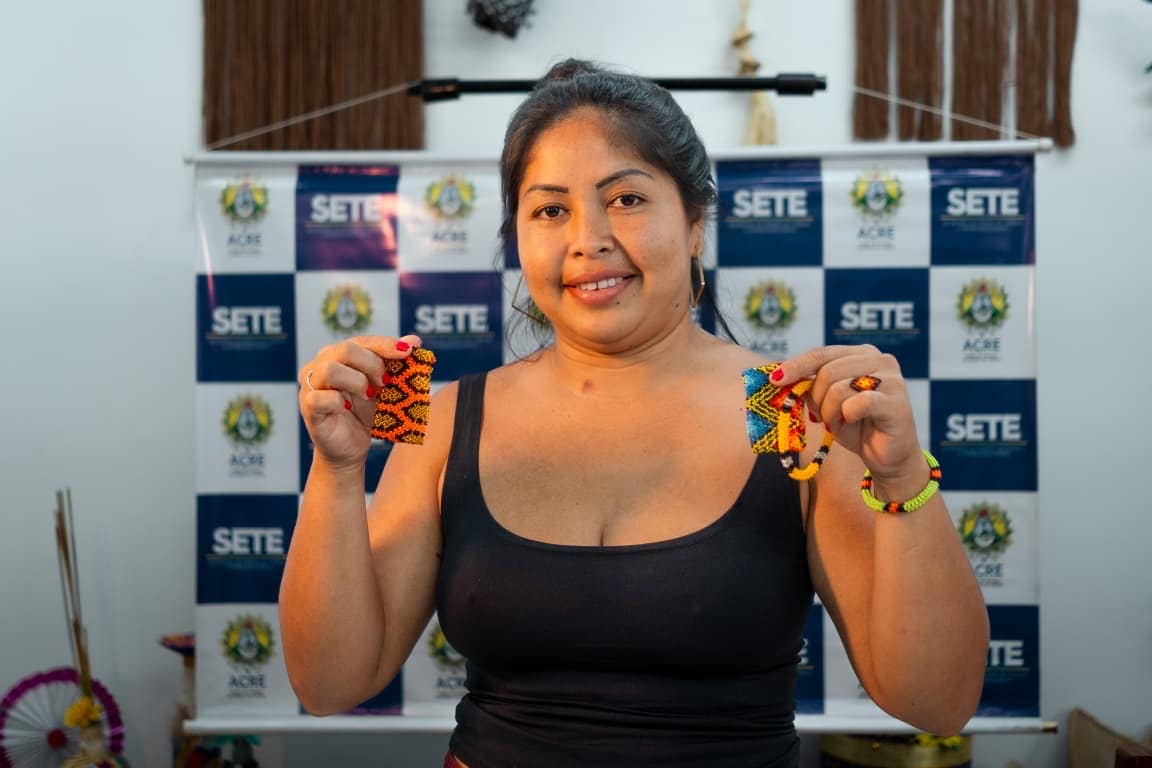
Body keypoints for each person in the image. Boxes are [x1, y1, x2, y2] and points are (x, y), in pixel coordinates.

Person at [279, 59, 989, 768]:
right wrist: (337, 471)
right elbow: (329, 683)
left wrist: (902, 479)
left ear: (695, 223)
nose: (588, 238)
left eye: (625, 199)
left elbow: (937, 701)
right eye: (550, 210)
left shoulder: (786, 413)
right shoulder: (449, 420)